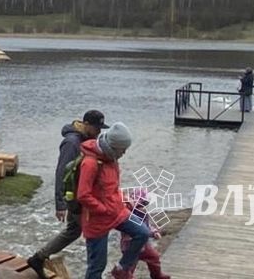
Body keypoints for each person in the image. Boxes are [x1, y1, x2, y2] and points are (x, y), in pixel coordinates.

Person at [27, 110, 109, 278]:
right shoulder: (71, 143)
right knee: (88, 230)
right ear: (85, 124)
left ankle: (39, 258)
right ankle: (93, 271)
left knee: (74, 230)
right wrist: (60, 204)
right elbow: (61, 172)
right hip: (75, 198)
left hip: (81, 195)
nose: (99, 132)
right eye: (96, 128)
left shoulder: (86, 139)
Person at [77, 122, 149, 279]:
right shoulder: (90, 163)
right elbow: (83, 195)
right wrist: (103, 209)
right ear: (113, 146)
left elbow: (112, 187)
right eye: (123, 149)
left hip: (117, 212)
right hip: (97, 220)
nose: (124, 153)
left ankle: (121, 268)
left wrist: (123, 201)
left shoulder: (111, 158)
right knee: (97, 267)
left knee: (143, 232)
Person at [118, 190, 170, 279]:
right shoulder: (128, 214)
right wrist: (152, 233)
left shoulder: (143, 213)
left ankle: (157, 275)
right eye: (142, 204)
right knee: (129, 267)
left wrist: (155, 232)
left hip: (144, 245)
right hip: (130, 246)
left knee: (154, 258)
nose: (143, 207)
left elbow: (147, 225)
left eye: (145, 204)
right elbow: (140, 230)